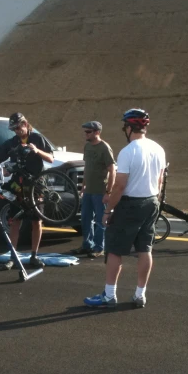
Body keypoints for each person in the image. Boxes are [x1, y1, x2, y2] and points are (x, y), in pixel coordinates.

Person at [83, 109, 165, 309]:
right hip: (151, 201)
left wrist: (108, 211)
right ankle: (140, 294)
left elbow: (119, 186)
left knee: (114, 250)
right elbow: (160, 180)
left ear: (129, 128)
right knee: (145, 249)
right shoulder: (158, 149)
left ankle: (109, 295)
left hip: (130, 204)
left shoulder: (128, 151)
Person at [0, 112, 53, 268]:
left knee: (36, 221)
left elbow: (50, 158)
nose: (17, 130)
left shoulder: (37, 138)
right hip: (18, 185)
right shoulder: (12, 143)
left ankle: (34, 256)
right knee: (15, 220)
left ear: (25, 124)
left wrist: (37, 151)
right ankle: (12, 256)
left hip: (36, 185)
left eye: (18, 127)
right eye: (14, 129)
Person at [69, 121, 116, 259]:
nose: (86, 134)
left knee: (100, 221)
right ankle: (86, 245)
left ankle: (99, 247)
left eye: (88, 132)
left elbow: (112, 171)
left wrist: (108, 192)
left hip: (100, 191)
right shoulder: (87, 146)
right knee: (85, 219)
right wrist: (83, 186)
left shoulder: (105, 148)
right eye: (85, 131)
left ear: (97, 132)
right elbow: (87, 168)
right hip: (88, 190)